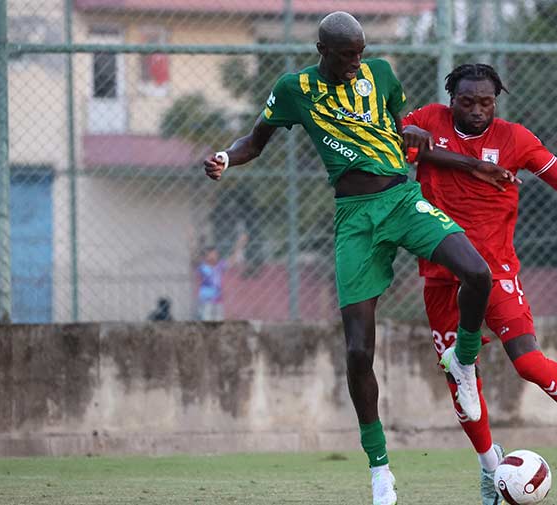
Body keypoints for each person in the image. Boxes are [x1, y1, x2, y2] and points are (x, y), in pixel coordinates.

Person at [202, 13, 515, 505]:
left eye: (361, 52)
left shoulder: (382, 76)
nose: (357, 62)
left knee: (476, 272)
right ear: (323, 50)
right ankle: (380, 470)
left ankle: (464, 358)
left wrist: (416, 140)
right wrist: (225, 156)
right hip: (354, 219)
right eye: (348, 54)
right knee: (356, 351)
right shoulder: (294, 89)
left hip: (402, 200)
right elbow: (255, 141)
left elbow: (404, 133)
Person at [402, 63, 557, 504]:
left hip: (496, 272)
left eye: (487, 102)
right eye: (467, 101)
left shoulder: (515, 138)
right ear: (450, 99)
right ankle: (489, 467)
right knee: (462, 379)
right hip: (440, 275)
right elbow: (394, 142)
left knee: (529, 364)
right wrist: (441, 153)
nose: (478, 110)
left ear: (497, 100)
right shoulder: (425, 121)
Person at [194, 231, 247, 321]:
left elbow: (233, 259)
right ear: (206, 256)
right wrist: (197, 241)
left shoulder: (219, 265)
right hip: (206, 301)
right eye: (213, 254)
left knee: (219, 322)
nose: (216, 255)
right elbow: (195, 256)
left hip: (218, 300)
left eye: (216, 253)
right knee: (207, 321)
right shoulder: (202, 266)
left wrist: (239, 245)